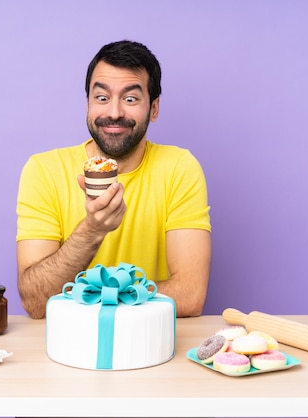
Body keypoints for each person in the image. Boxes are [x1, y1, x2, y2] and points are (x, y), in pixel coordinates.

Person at [16, 40, 211, 319]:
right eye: (102, 98)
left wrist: (103, 299)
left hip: (150, 342)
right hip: (67, 343)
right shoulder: (44, 170)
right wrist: (92, 231)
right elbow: (35, 301)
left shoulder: (179, 168)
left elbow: (191, 295)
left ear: (154, 108)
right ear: (87, 104)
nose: (114, 112)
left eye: (130, 99)